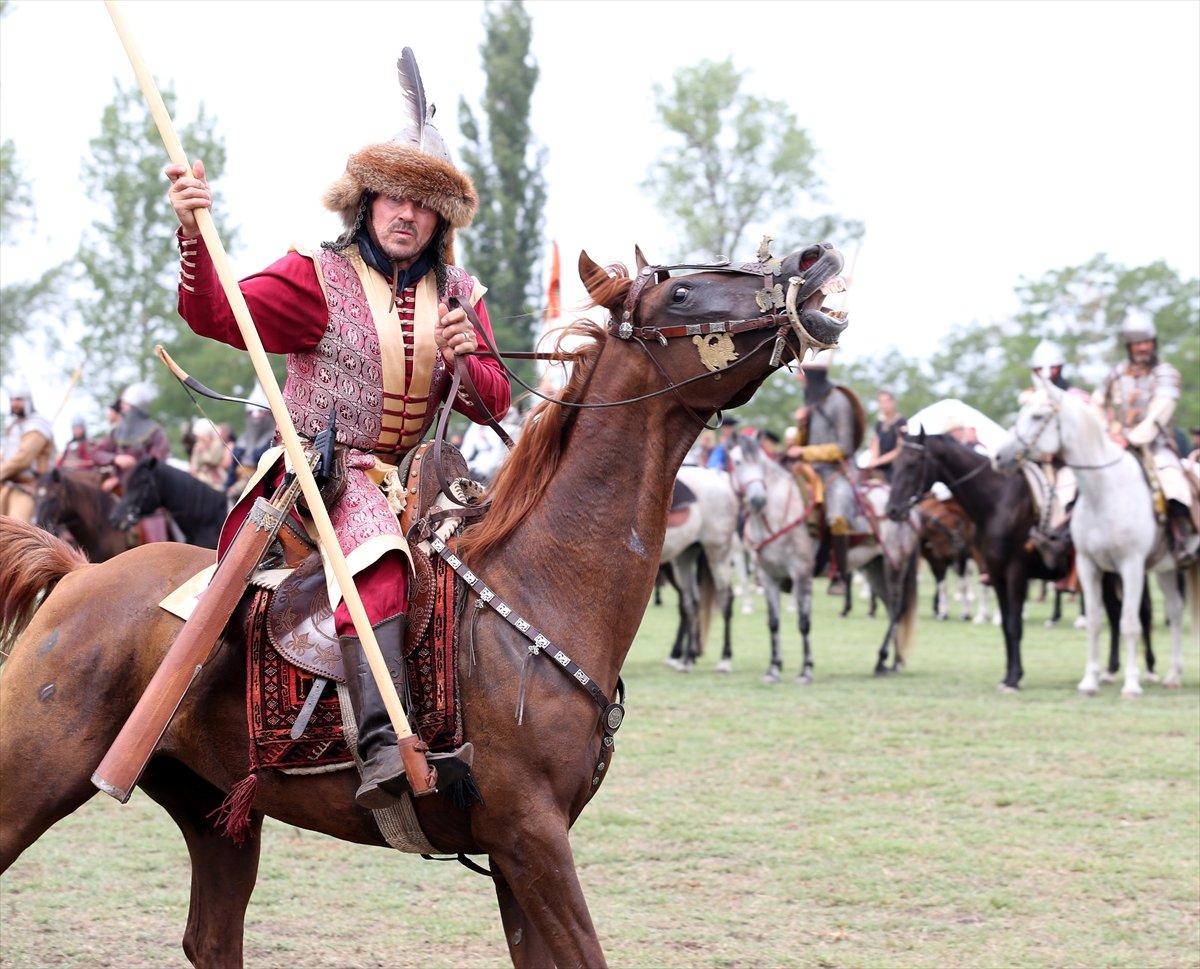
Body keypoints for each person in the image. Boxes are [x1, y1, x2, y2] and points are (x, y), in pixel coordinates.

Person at [165, 50, 510, 809]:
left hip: (426, 478)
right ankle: (383, 745)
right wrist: (194, 232)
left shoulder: (462, 293)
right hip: (324, 473)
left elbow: (493, 404)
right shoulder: (314, 278)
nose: (405, 213)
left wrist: (467, 360)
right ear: (365, 200)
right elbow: (215, 314)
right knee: (380, 559)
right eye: (392, 196)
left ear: (439, 219)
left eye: (422, 204)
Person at [1096, 308, 1198, 565]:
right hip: (1116, 445)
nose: (1142, 347)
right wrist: (1106, 434)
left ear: (1153, 342)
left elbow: (1159, 413)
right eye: (1136, 343)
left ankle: (1184, 538)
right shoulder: (1117, 373)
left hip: (1157, 446)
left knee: (1175, 485)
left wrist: (1132, 439)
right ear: (1129, 346)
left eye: (1146, 342)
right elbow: (1097, 402)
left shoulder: (1166, 372)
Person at [783, 352, 867, 595]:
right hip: (809, 470)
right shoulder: (811, 403)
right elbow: (799, 445)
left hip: (837, 471)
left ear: (812, 376)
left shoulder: (838, 401)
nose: (799, 379)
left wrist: (805, 451)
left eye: (801, 374)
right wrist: (801, 425)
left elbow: (844, 447)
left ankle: (840, 575)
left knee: (836, 516)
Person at [0, 377, 55, 522]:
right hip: (8, 484)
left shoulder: (37, 425)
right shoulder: (13, 425)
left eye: (18, 399)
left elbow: (23, 459)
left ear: (27, 401)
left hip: (29, 488)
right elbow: (5, 455)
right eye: (12, 399)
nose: (14, 403)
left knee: (16, 534)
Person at [225, 387, 277, 500]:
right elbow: (233, 471)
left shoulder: (274, 440)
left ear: (268, 414)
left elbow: (267, 472)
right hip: (238, 491)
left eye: (260, 412)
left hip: (264, 492)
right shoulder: (241, 442)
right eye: (251, 413)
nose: (255, 416)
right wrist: (226, 488)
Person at [864, 389, 907, 481]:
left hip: (894, 468)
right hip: (878, 466)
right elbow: (875, 443)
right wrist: (872, 462)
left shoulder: (901, 423)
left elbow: (899, 450)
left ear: (893, 402)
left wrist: (878, 461)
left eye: (887, 401)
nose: (884, 405)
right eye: (881, 402)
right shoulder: (879, 424)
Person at [188, 418, 231, 490]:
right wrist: (194, 470)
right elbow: (194, 462)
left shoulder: (217, 443)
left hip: (215, 476)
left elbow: (213, 460)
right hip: (200, 475)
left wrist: (203, 451)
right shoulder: (198, 445)